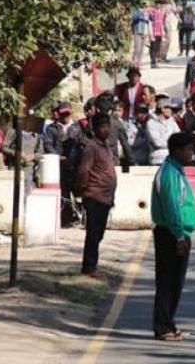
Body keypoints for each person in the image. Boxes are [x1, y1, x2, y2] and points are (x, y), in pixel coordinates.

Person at [150, 132, 195, 341]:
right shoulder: (169, 173)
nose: (192, 153)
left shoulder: (177, 171)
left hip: (179, 233)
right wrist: (179, 235)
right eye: (189, 149)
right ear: (177, 151)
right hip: (171, 234)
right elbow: (172, 207)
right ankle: (162, 327)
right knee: (167, 281)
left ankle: (169, 323)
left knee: (175, 282)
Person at [75, 114, 116, 278]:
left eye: (108, 126)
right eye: (102, 126)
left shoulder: (106, 146)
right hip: (94, 195)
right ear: (95, 128)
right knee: (93, 233)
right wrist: (83, 189)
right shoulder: (91, 147)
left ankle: (92, 264)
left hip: (106, 197)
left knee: (99, 233)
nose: (106, 129)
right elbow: (84, 171)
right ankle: (89, 267)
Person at [44, 101, 76, 227]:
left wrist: (72, 158)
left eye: (68, 114)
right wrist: (59, 158)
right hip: (58, 165)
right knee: (62, 191)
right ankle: (64, 218)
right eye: (63, 114)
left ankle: (78, 216)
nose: (65, 117)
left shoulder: (76, 127)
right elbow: (47, 144)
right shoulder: (51, 128)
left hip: (74, 164)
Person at [147, 98, 181, 165]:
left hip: (172, 159)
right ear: (162, 109)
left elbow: (179, 139)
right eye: (169, 108)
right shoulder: (151, 123)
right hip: (157, 160)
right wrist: (173, 143)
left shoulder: (172, 122)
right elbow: (158, 143)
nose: (171, 110)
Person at [148, 0, 166, 68]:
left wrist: (163, 35)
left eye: (160, 4)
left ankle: (155, 61)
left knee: (157, 48)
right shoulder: (152, 12)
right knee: (153, 47)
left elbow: (162, 24)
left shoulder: (161, 12)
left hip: (159, 33)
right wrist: (151, 34)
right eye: (157, 4)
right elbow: (150, 23)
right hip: (153, 32)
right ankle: (153, 62)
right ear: (155, 4)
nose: (159, 5)